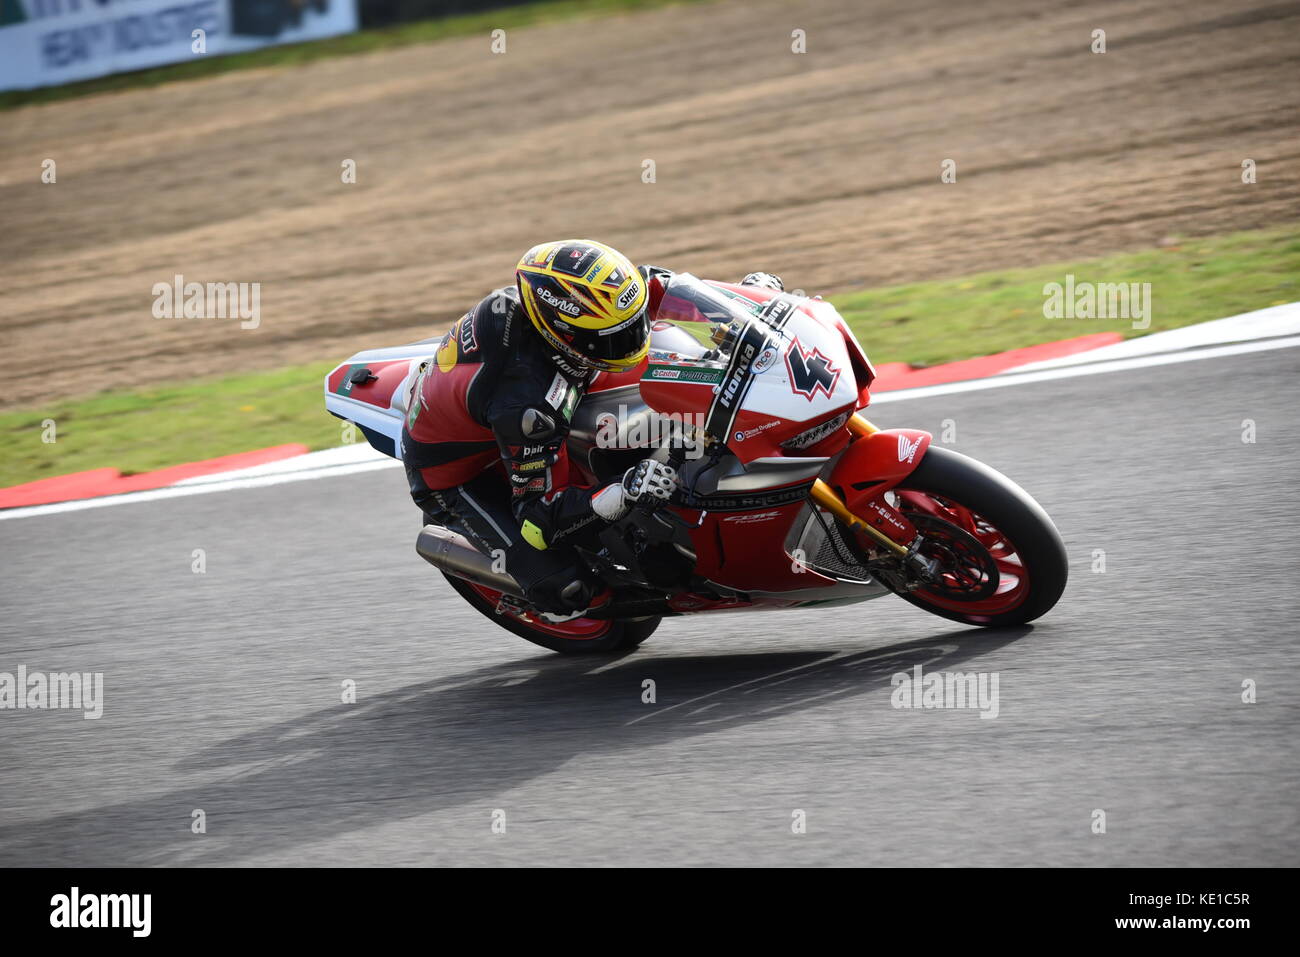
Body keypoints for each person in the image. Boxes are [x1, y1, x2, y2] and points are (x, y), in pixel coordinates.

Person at [402, 238, 782, 616]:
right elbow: (538, 517)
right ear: (565, 335)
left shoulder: (591, 308)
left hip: (532, 392)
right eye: (617, 339)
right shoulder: (528, 405)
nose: (633, 340)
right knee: (569, 590)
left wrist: (745, 303)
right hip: (458, 473)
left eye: (632, 325)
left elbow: (665, 290)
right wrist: (625, 490)